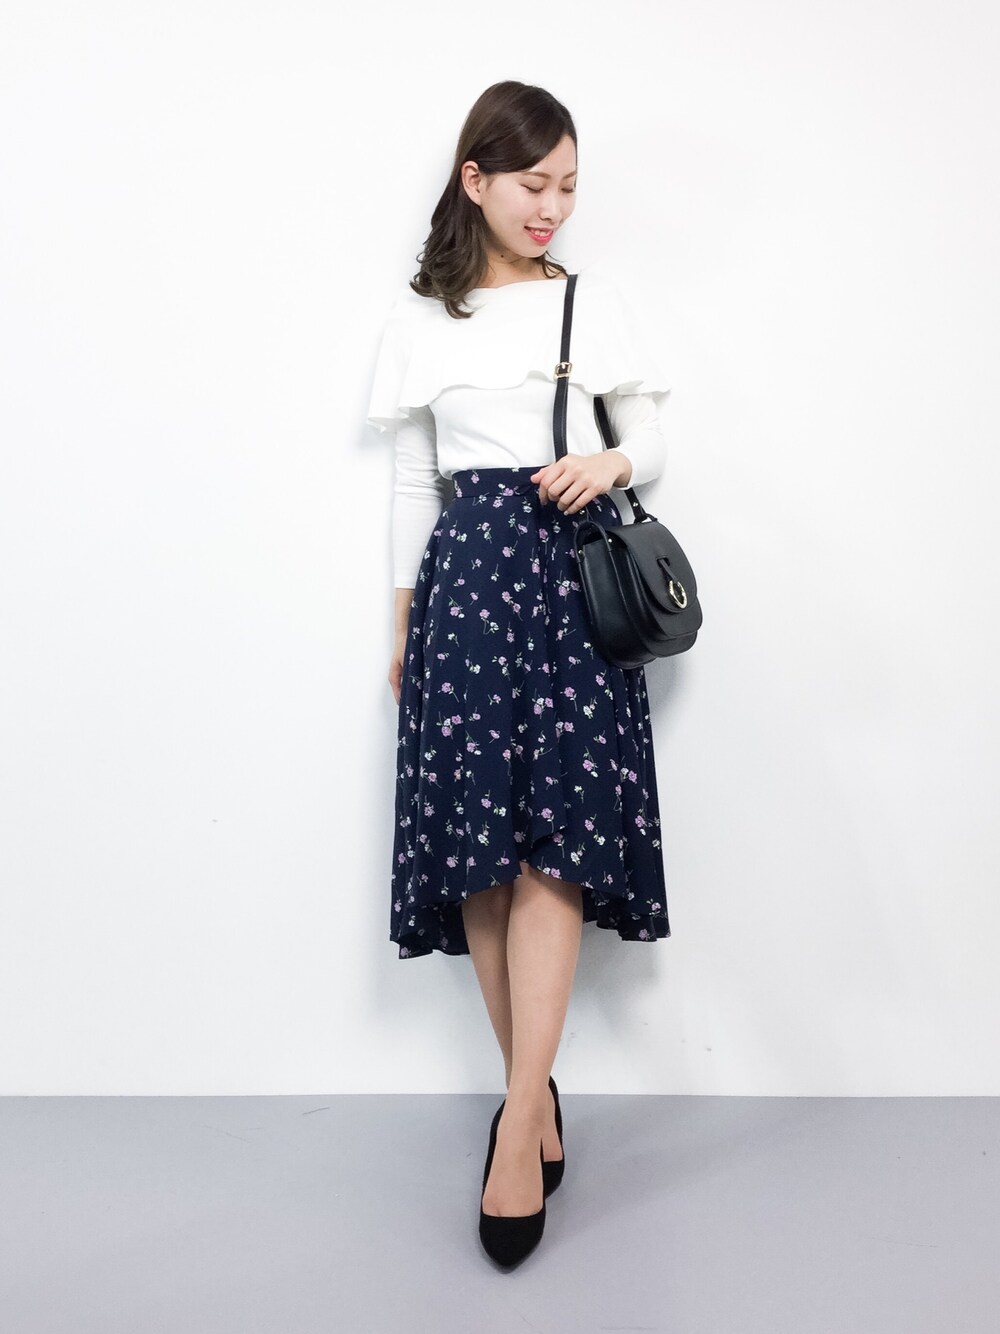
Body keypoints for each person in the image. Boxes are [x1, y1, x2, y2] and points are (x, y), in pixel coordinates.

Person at [365, 80, 671, 1267]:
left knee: (554, 850)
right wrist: (404, 624)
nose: (552, 206)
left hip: (571, 585)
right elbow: (413, 484)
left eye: (568, 186)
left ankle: (513, 1132)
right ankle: (533, 1096)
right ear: (475, 179)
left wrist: (608, 463)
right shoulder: (420, 324)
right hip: (466, 590)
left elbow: (655, 437)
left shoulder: (591, 304)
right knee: (483, 864)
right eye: (533, 183)